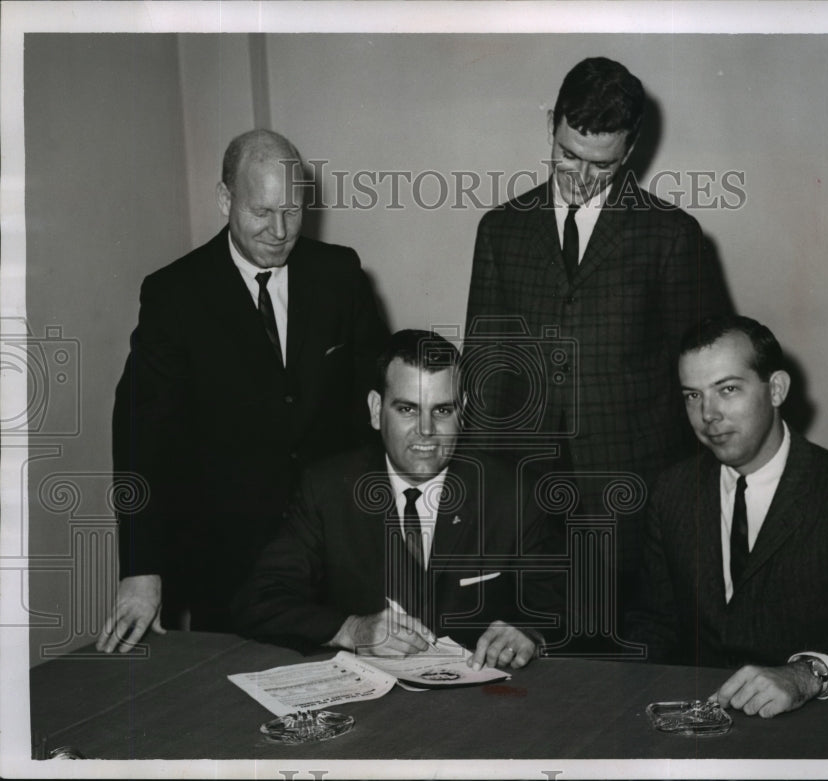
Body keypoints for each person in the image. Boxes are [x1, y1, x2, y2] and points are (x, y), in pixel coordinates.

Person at [98, 129, 388, 652]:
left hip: (334, 550)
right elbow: (142, 438)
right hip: (225, 561)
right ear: (225, 199)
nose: (280, 231)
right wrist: (141, 568)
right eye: (262, 211)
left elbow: (373, 405)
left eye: (293, 211)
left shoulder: (339, 274)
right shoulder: (174, 295)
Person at [464, 57, 732, 621]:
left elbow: (703, 381)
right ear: (551, 124)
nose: (580, 178)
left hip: (635, 501)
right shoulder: (500, 231)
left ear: (631, 151)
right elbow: (486, 378)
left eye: (602, 165)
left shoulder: (671, 237)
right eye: (568, 155)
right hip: (526, 500)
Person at [232, 330, 563, 670]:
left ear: (462, 412)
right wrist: (350, 629)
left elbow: (571, 602)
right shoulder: (328, 489)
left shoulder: (513, 493)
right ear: (376, 410)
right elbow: (259, 600)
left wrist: (531, 629)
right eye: (407, 408)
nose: (426, 430)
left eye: (443, 410)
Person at [627, 315, 828, 718]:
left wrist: (803, 676)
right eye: (692, 396)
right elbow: (653, 626)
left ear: (777, 390)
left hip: (815, 723)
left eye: (727, 389)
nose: (708, 414)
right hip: (698, 727)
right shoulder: (672, 492)